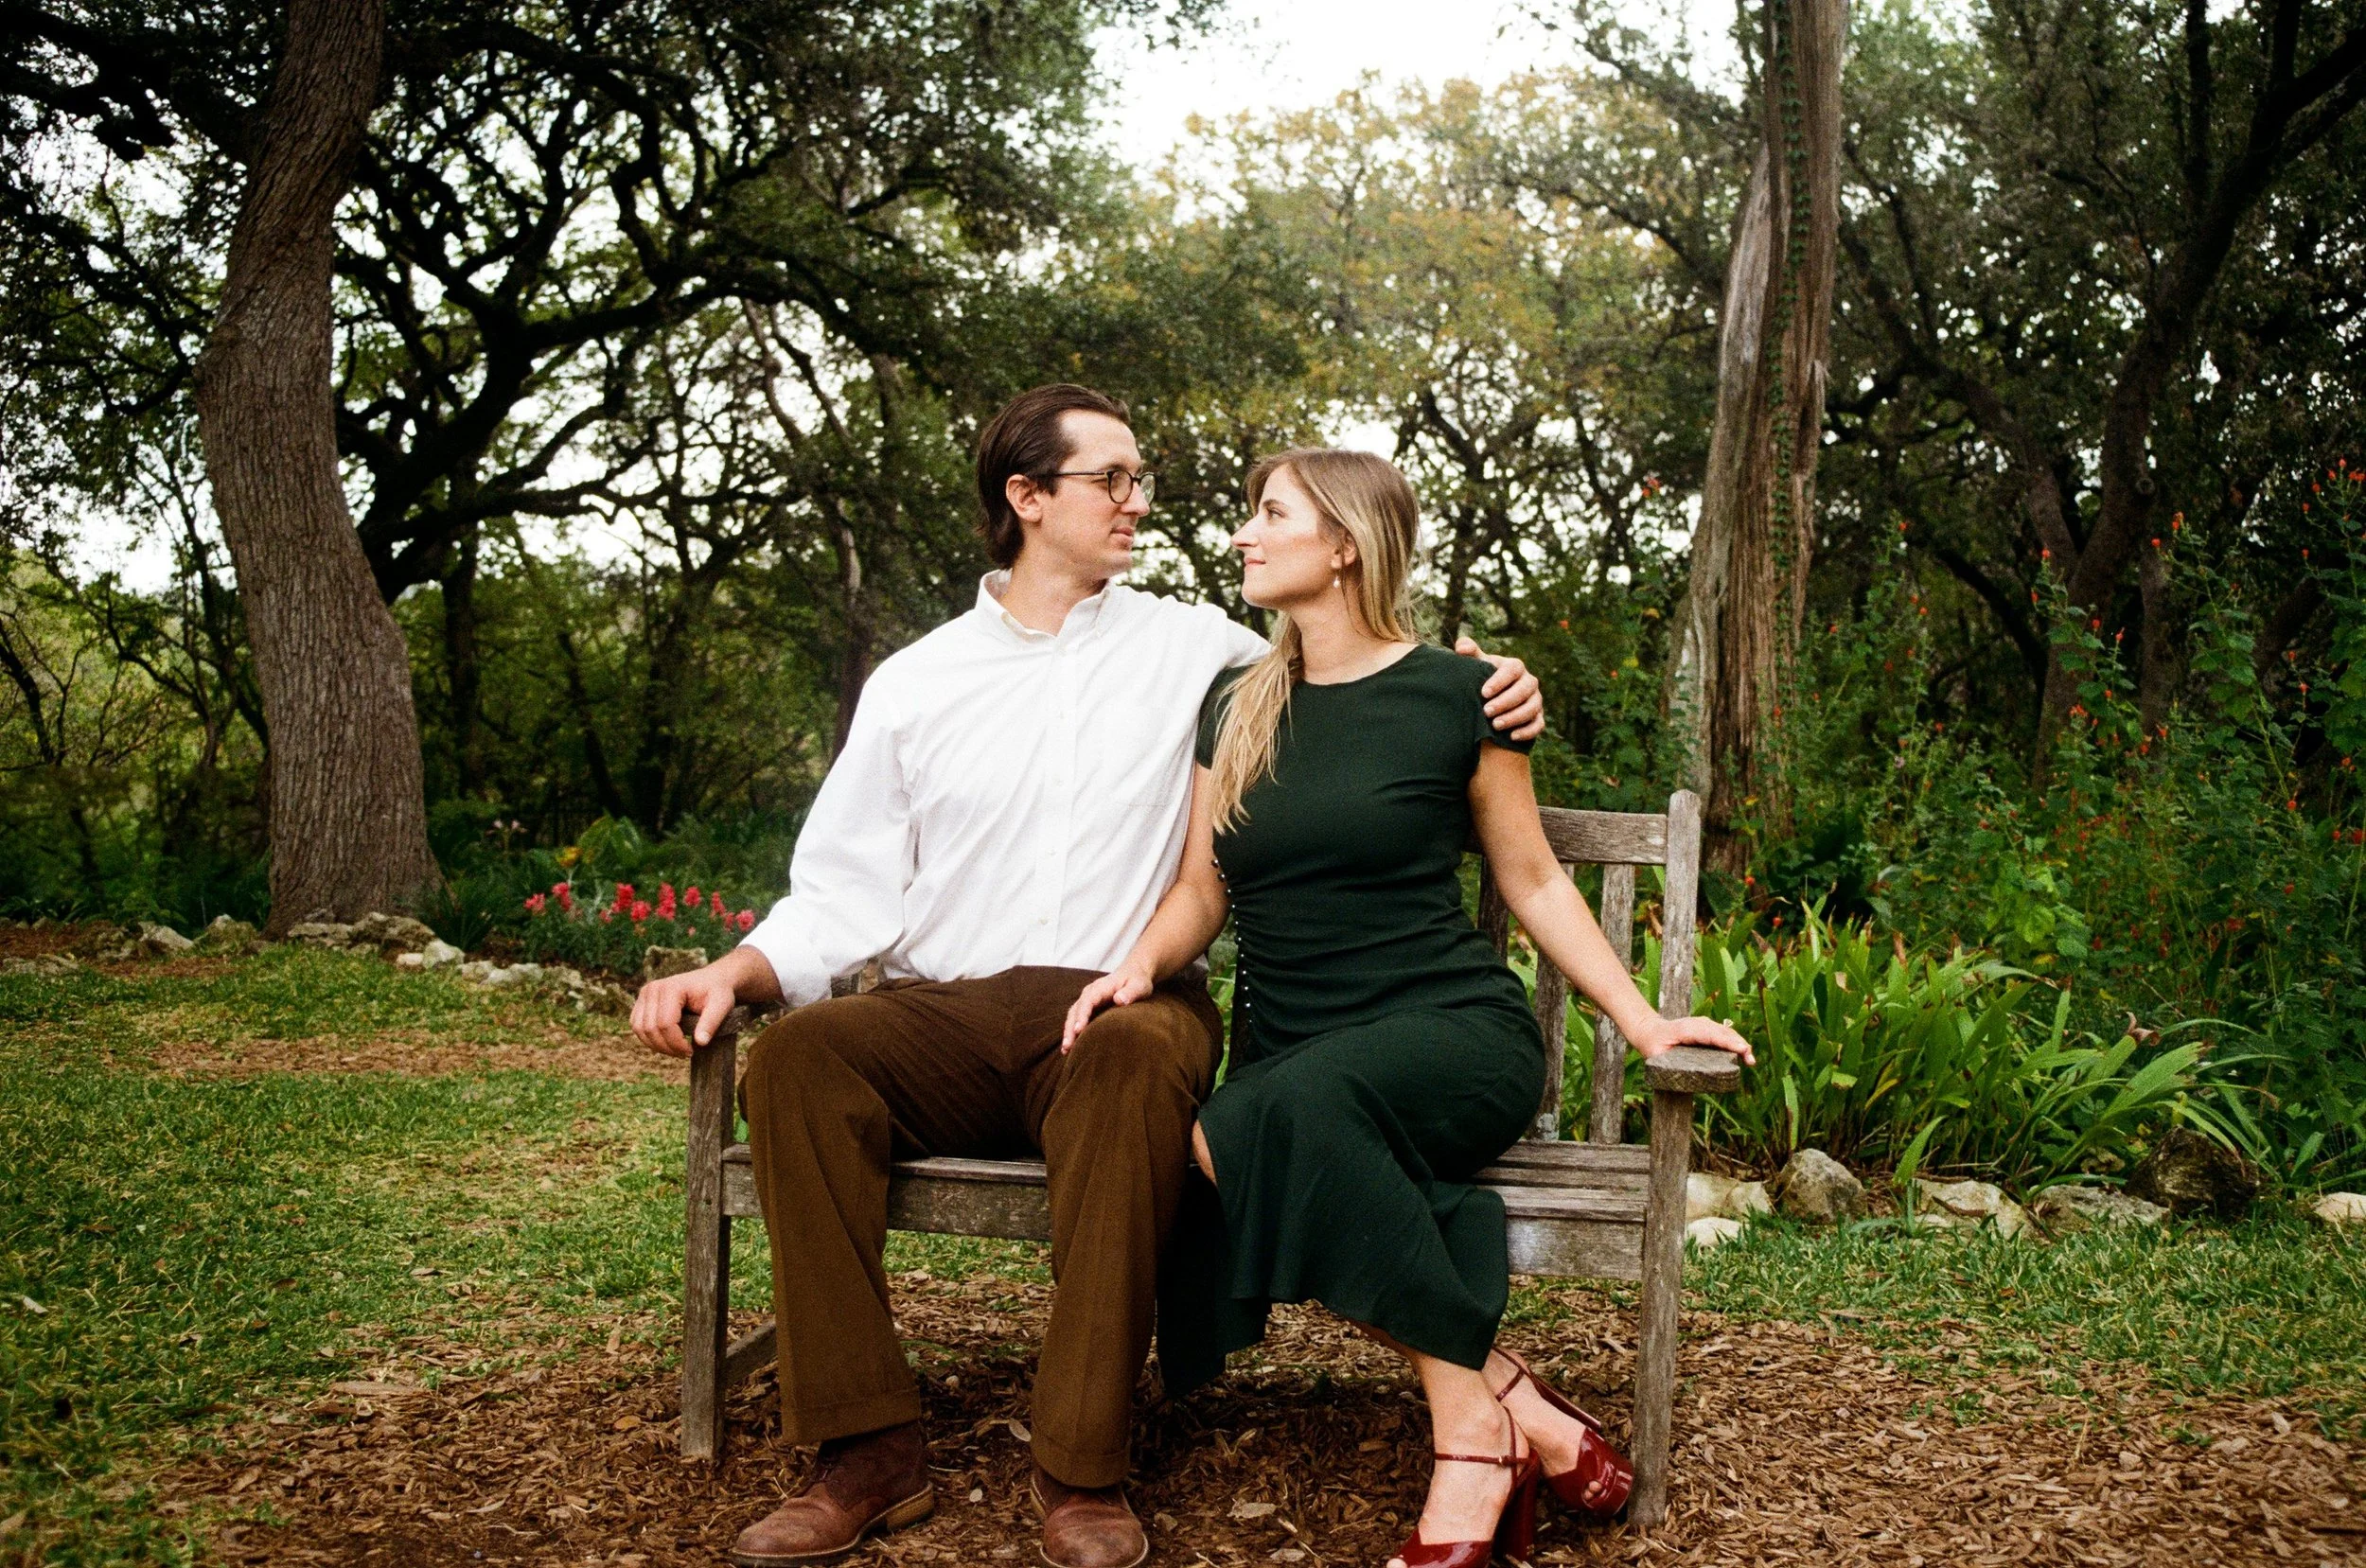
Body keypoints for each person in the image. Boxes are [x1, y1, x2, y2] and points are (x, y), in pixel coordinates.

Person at [629, 387, 1545, 1568]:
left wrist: (1487, 677)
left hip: (1120, 1007)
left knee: (1127, 1063)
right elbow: (844, 887)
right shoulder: (918, 681)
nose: (1138, 501)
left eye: (1139, 477)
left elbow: (1358, 662)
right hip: (943, 1017)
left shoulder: (1197, 649)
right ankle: (862, 1450)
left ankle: (1082, 1466)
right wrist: (740, 967)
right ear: (1026, 499)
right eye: (1110, 479)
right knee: (801, 1056)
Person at [1062, 449, 1754, 1568]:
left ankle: (1470, 1444)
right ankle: (1505, 1398)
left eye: (1269, 513)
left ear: (1344, 544)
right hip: (1299, 1047)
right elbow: (1201, 887)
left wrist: (1641, 1018)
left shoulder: (1457, 694)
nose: (1243, 533)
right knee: (1259, 1131)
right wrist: (1137, 967)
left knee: (1250, 1132)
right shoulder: (1236, 702)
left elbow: (1529, 877)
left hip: (1450, 1038)